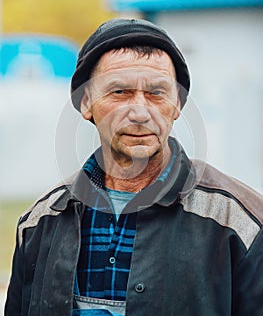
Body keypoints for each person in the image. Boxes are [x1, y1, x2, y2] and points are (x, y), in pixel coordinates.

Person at [5, 18, 263, 316]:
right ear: (86, 102)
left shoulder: (242, 225)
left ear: (177, 104)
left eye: (156, 93)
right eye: (120, 92)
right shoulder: (40, 222)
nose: (140, 112)